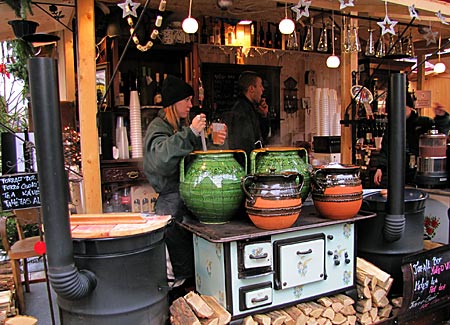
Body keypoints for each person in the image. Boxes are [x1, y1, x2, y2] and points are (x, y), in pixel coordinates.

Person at [143, 75, 226, 301]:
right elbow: (160, 159)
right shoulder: (158, 127)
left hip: (185, 202)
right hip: (171, 205)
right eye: (187, 100)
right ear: (174, 101)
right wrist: (190, 133)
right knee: (175, 271)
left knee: (189, 266)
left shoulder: (176, 126)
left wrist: (212, 138)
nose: (190, 105)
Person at [373, 92, 434, 187]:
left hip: (420, 172)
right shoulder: (392, 126)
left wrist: (442, 117)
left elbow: (441, 131)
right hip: (397, 171)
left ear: (410, 107)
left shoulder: (424, 123)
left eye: (402, 108)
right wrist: (380, 168)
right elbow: (386, 148)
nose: (399, 111)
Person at [222, 71, 266, 159]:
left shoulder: (250, 108)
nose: (263, 89)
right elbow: (245, 147)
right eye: (260, 86)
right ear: (251, 89)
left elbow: (261, 136)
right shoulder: (242, 111)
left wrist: (263, 116)